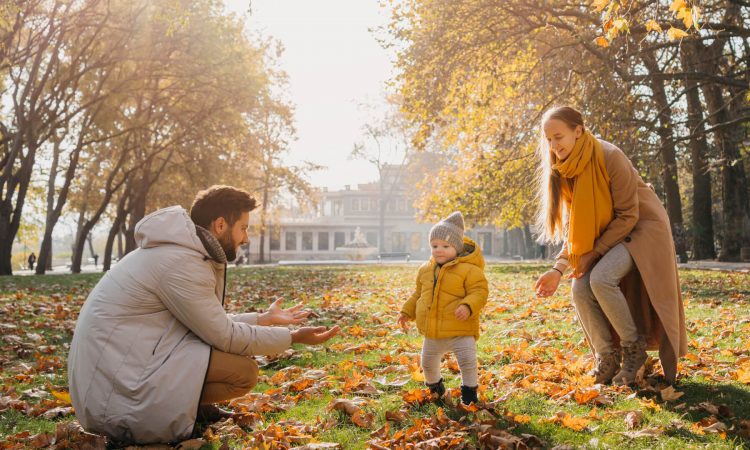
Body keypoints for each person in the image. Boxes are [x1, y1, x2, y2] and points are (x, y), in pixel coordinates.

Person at [68, 185, 340, 444]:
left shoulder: (179, 253)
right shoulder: (181, 263)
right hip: (115, 397)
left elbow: (207, 322)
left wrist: (263, 319)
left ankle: (195, 410)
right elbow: (223, 335)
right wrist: (292, 338)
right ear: (220, 225)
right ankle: (176, 413)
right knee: (243, 372)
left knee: (231, 356)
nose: (246, 238)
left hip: (126, 369)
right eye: (243, 228)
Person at [533, 106, 687, 385]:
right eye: (549, 140)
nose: (554, 146)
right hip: (610, 233)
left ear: (578, 131)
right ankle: (607, 357)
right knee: (579, 287)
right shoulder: (565, 169)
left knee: (602, 278)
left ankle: (634, 350)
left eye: (559, 137)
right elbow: (575, 228)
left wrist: (594, 252)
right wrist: (558, 269)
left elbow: (629, 215)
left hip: (643, 229)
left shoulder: (610, 156)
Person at [398, 211, 489, 405]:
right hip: (433, 332)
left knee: (467, 362)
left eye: (445, 246)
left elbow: (479, 292)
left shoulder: (470, 270)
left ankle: (469, 395)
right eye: (435, 246)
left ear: (457, 247)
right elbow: (418, 295)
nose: (439, 250)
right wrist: (407, 311)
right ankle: (435, 390)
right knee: (428, 363)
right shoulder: (425, 270)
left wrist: (468, 305)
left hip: (460, 330)